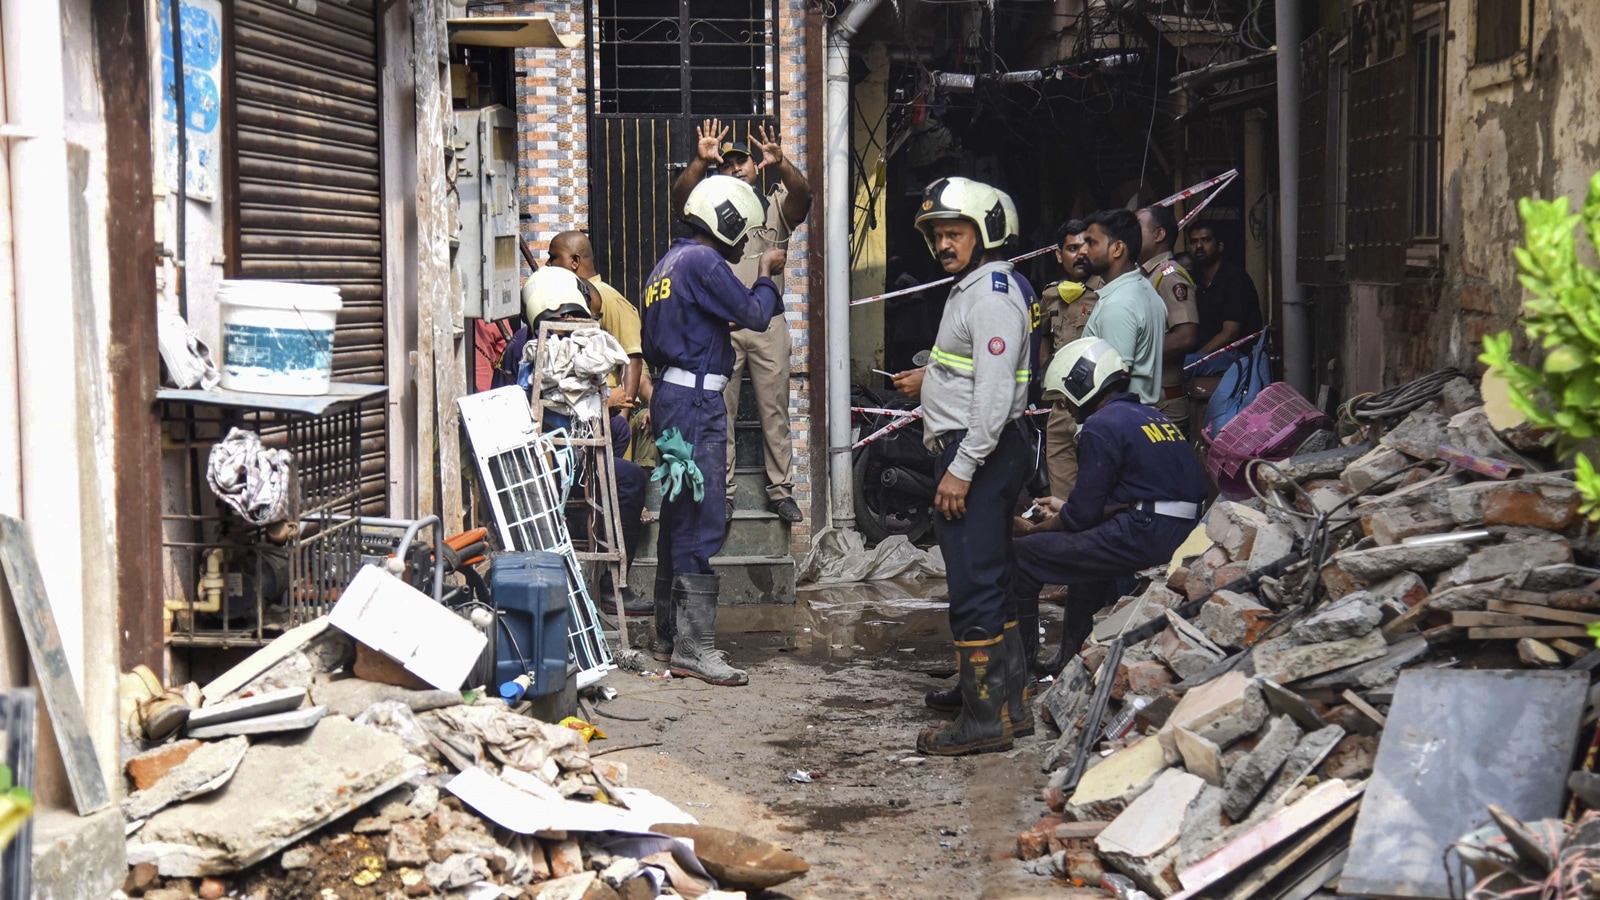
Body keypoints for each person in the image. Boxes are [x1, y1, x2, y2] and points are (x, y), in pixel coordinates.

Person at [896, 176, 1032, 757]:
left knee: (975, 584)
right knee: (992, 577)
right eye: (938, 236)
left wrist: (962, 468)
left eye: (954, 233)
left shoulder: (992, 294)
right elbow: (973, 371)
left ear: (986, 232)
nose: (943, 245)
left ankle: (984, 720)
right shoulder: (973, 287)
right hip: (978, 449)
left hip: (980, 451)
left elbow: (996, 397)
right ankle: (1006, 701)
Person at [641, 174, 785, 687]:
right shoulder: (703, 262)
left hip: (672, 398)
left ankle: (666, 634)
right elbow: (753, 315)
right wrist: (767, 274)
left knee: (679, 514)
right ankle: (694, 648)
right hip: (698, 402)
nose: (743, 243)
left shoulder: (667, 263)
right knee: (702, 517)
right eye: (742, 232)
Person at [1015, 337, 1207, 672]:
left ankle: (1019, 671)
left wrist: (1031, 530)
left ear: (1083, 385)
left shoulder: (1099, 427)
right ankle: (1071, 661)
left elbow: (1082, 516)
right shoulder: (1150, 416)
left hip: (1147, 532)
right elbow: (1130, 495)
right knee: (1085, 565)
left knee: (1024, 556)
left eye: (1064, 396)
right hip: (1179, 529)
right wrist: (1066, 507)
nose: (1063, 405)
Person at [671, 119, 812, 525]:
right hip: (721, 327)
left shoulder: (775, 204)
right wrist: (699, 164)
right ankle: (724, 493)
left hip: (767, 324)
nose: (735, 168)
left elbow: (805, 197)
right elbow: (680, 201)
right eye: (727, 164)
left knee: (775, 411)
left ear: (757, 167)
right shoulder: (711, 210)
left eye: (743, 162)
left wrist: (783, 163)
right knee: (720, 413)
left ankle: (781, 492)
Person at [546, 231, 653, 617]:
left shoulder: (608, 301)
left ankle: (612, 583)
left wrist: (620, 413)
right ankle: (603, 583)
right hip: (570, 437)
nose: (547, 264)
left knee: (623, 473)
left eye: (553, 257)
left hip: (594, 426)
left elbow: (631, 359)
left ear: (574, 261)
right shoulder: (556, 312)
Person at [1078, 208, 1167, 405]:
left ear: (1117, 249)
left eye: (1091, 242)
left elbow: (1113, 384)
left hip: (1115, 427)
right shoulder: (1145, 289)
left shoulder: (1119, 305)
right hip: (1134, 420)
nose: (1083, 250)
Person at [1038, 219, 1101, 499]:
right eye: (1072, 248)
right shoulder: (1050, 294)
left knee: (1096, 488)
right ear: (1059, 255)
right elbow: (1044, 337)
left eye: (1087, 245)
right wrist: (1044, 375)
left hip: (1095, 407)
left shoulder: (1107, 292)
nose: (1081, 254)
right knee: (1061, 494)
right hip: (1059, 407)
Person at [1136, 205, 1201, 435]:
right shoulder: (1146, 275)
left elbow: (1186, 336)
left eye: (1137, 228)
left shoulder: (1169, 275)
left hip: (1164, 403)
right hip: (1149, 399)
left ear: (1159, 235)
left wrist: (1134, 352)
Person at [1186, 222, 1263, 375]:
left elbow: (1230, 333)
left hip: (1237, 355)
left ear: (1220, 246)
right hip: (1207, 353)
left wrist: (1197, 358)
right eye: (1194, 241)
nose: (1199, 246)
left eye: (1206, 240)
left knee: (1180, 367)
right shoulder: (1193, 278)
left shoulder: (1235, 278)